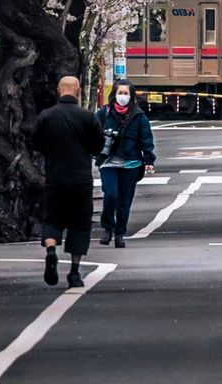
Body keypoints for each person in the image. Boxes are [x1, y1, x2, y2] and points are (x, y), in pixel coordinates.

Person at [32, 75, 104, 288]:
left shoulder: (46, 116)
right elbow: (97, 146)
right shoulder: (87, 117)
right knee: (80, 224)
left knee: (52, 218)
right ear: (79, 91)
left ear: (58, 90)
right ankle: (74, 272)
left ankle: (51, 250)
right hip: (80, 179)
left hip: (55, 177)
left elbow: (35, 142)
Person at [96, 80, 155, 247]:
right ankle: (107, 227)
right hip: (108, 161)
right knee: (111, 195)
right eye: (120, 93)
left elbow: (146, 139)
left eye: (126, 93)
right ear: (114, 94)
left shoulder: (139, 117)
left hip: (131, 162)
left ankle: (119, 232)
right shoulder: (104, 114)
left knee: (125, 200)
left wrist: (149, 160)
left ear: (131, 96)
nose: (123, 97)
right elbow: (92, 133)